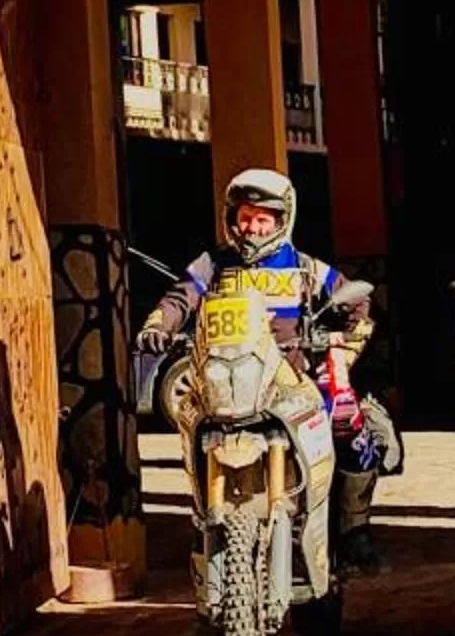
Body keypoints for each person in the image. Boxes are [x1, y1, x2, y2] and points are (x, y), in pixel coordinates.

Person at [138, 165, 397, 579]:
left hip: (290, 378)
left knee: (349, 423)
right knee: (191, 428)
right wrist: (158, 325)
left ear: (282, 220)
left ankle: (354, 531)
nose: (253, 228)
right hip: (224, 381)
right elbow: (179, 298)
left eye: (263, 219)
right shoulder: (213, 265)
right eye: (246, 218)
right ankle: (207, 546)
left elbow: (358, 305)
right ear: (232, 219)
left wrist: (342, 349)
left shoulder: (306, 268)